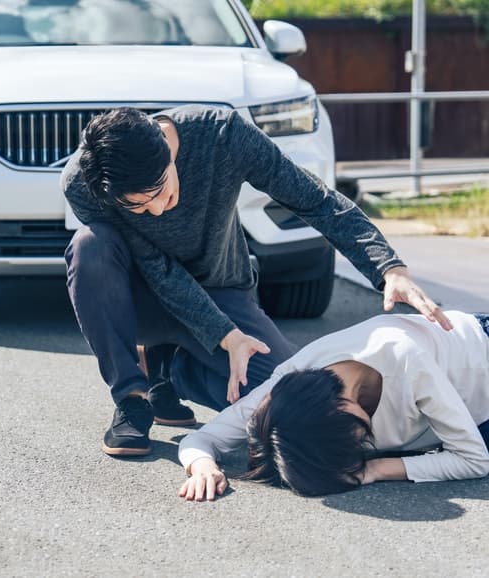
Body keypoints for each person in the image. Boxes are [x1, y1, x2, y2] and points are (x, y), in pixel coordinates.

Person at [62, 106, 451, 457]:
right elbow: (157, 268)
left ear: (166, 147)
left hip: (221, 290)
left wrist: (388, 267)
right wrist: (226, 337)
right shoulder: (84, 182)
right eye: (139, 206)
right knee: (90, 246)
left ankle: (170, 369)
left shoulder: (223, 136)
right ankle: (132, 396)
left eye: (159, 191)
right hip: (144, 296)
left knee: (282, 403)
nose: (158, 210)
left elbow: (313, 199)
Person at [177, 311, 489, 500]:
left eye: (354, 444)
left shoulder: (404, 357)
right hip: (454, 420)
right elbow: (201, 438)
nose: (360, 449)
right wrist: (203, 466)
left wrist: (374, 469)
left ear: (342, 408)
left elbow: (475, 460)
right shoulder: (282, 396)